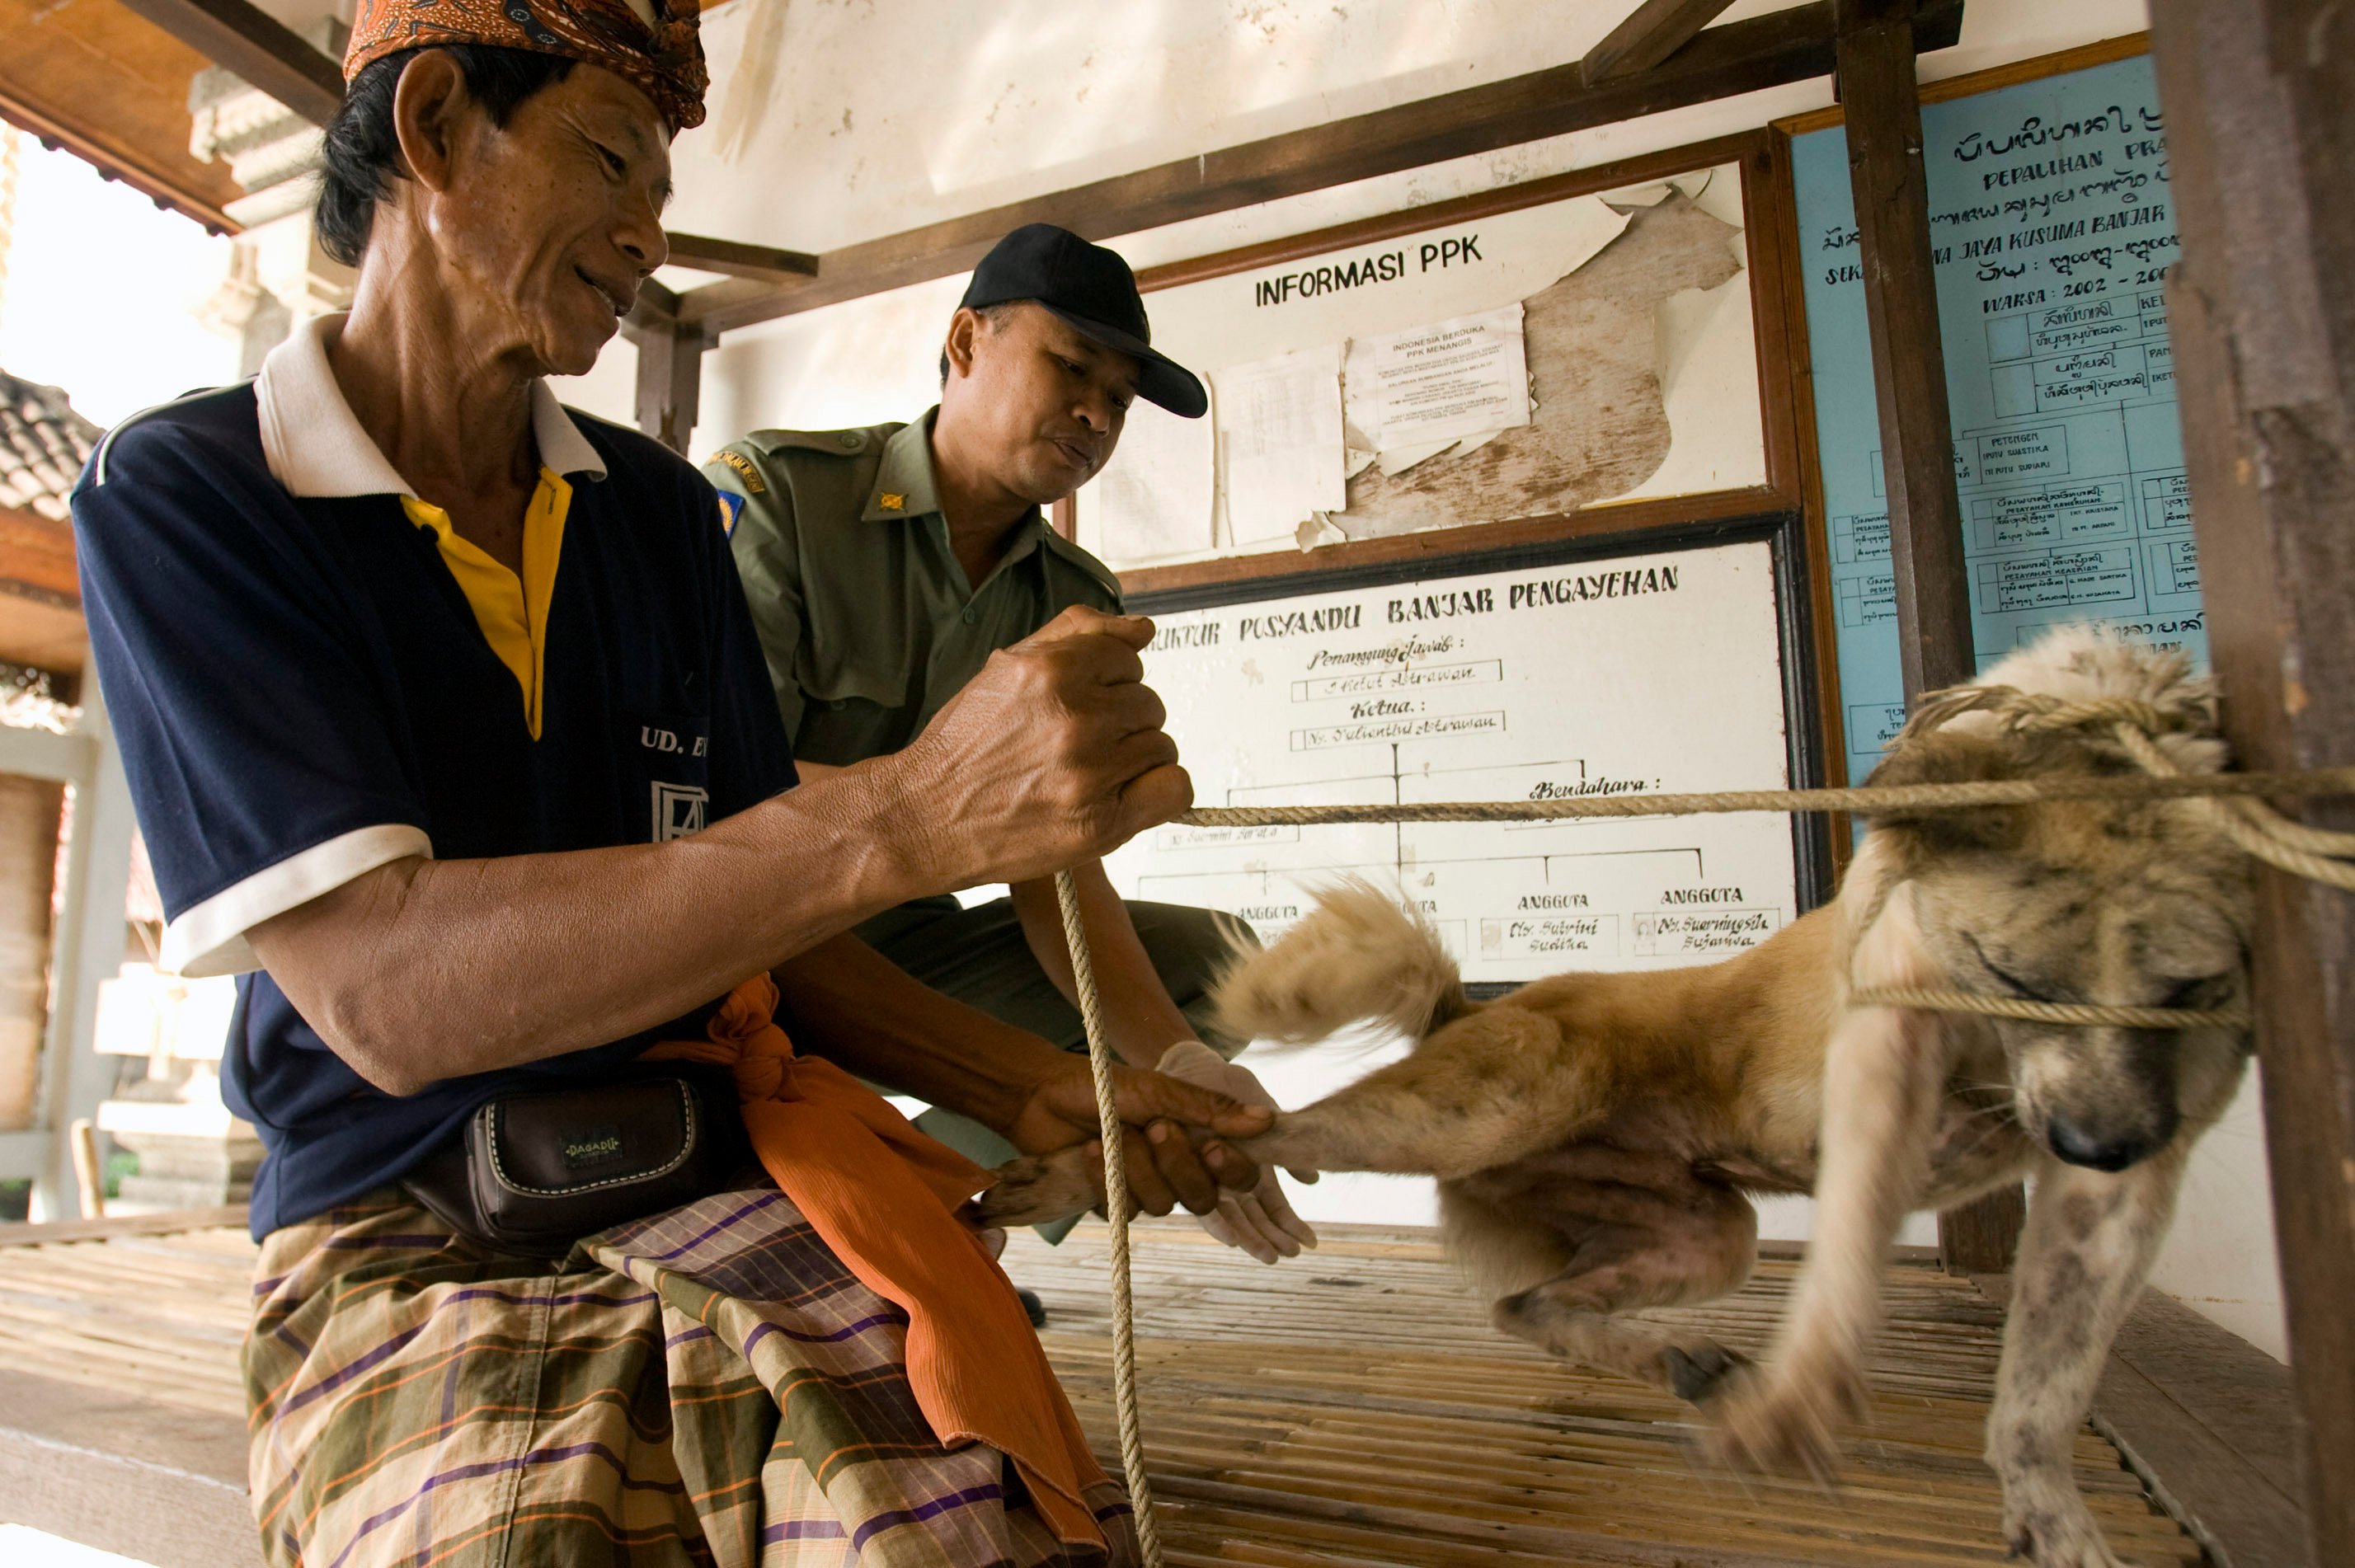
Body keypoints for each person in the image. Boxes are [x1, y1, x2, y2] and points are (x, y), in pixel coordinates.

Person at [70, 5, 1274, 1563]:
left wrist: (1036, 1089)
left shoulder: (654, 514)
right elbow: (393, 995)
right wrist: (901, 815)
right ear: (433, 126)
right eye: (610, 158)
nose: (649, 230)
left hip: (714, 1150)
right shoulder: (196, 499)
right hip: (409, 1219)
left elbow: (760, 931)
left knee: (957, 1531)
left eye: (662, 181)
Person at [706, 226, 1316, 1268]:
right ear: (965, 342)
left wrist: (1174, 1057)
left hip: (905, 941)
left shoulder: (1076, 603)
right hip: (746, 929)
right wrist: (943, 800)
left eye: (1119, 399)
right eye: (1070, 366)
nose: (1094, 412)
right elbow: (712, 787)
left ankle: (946, 1223)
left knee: (1217, 954)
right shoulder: (780, 497)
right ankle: (831, 1231)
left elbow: (1057, 879)